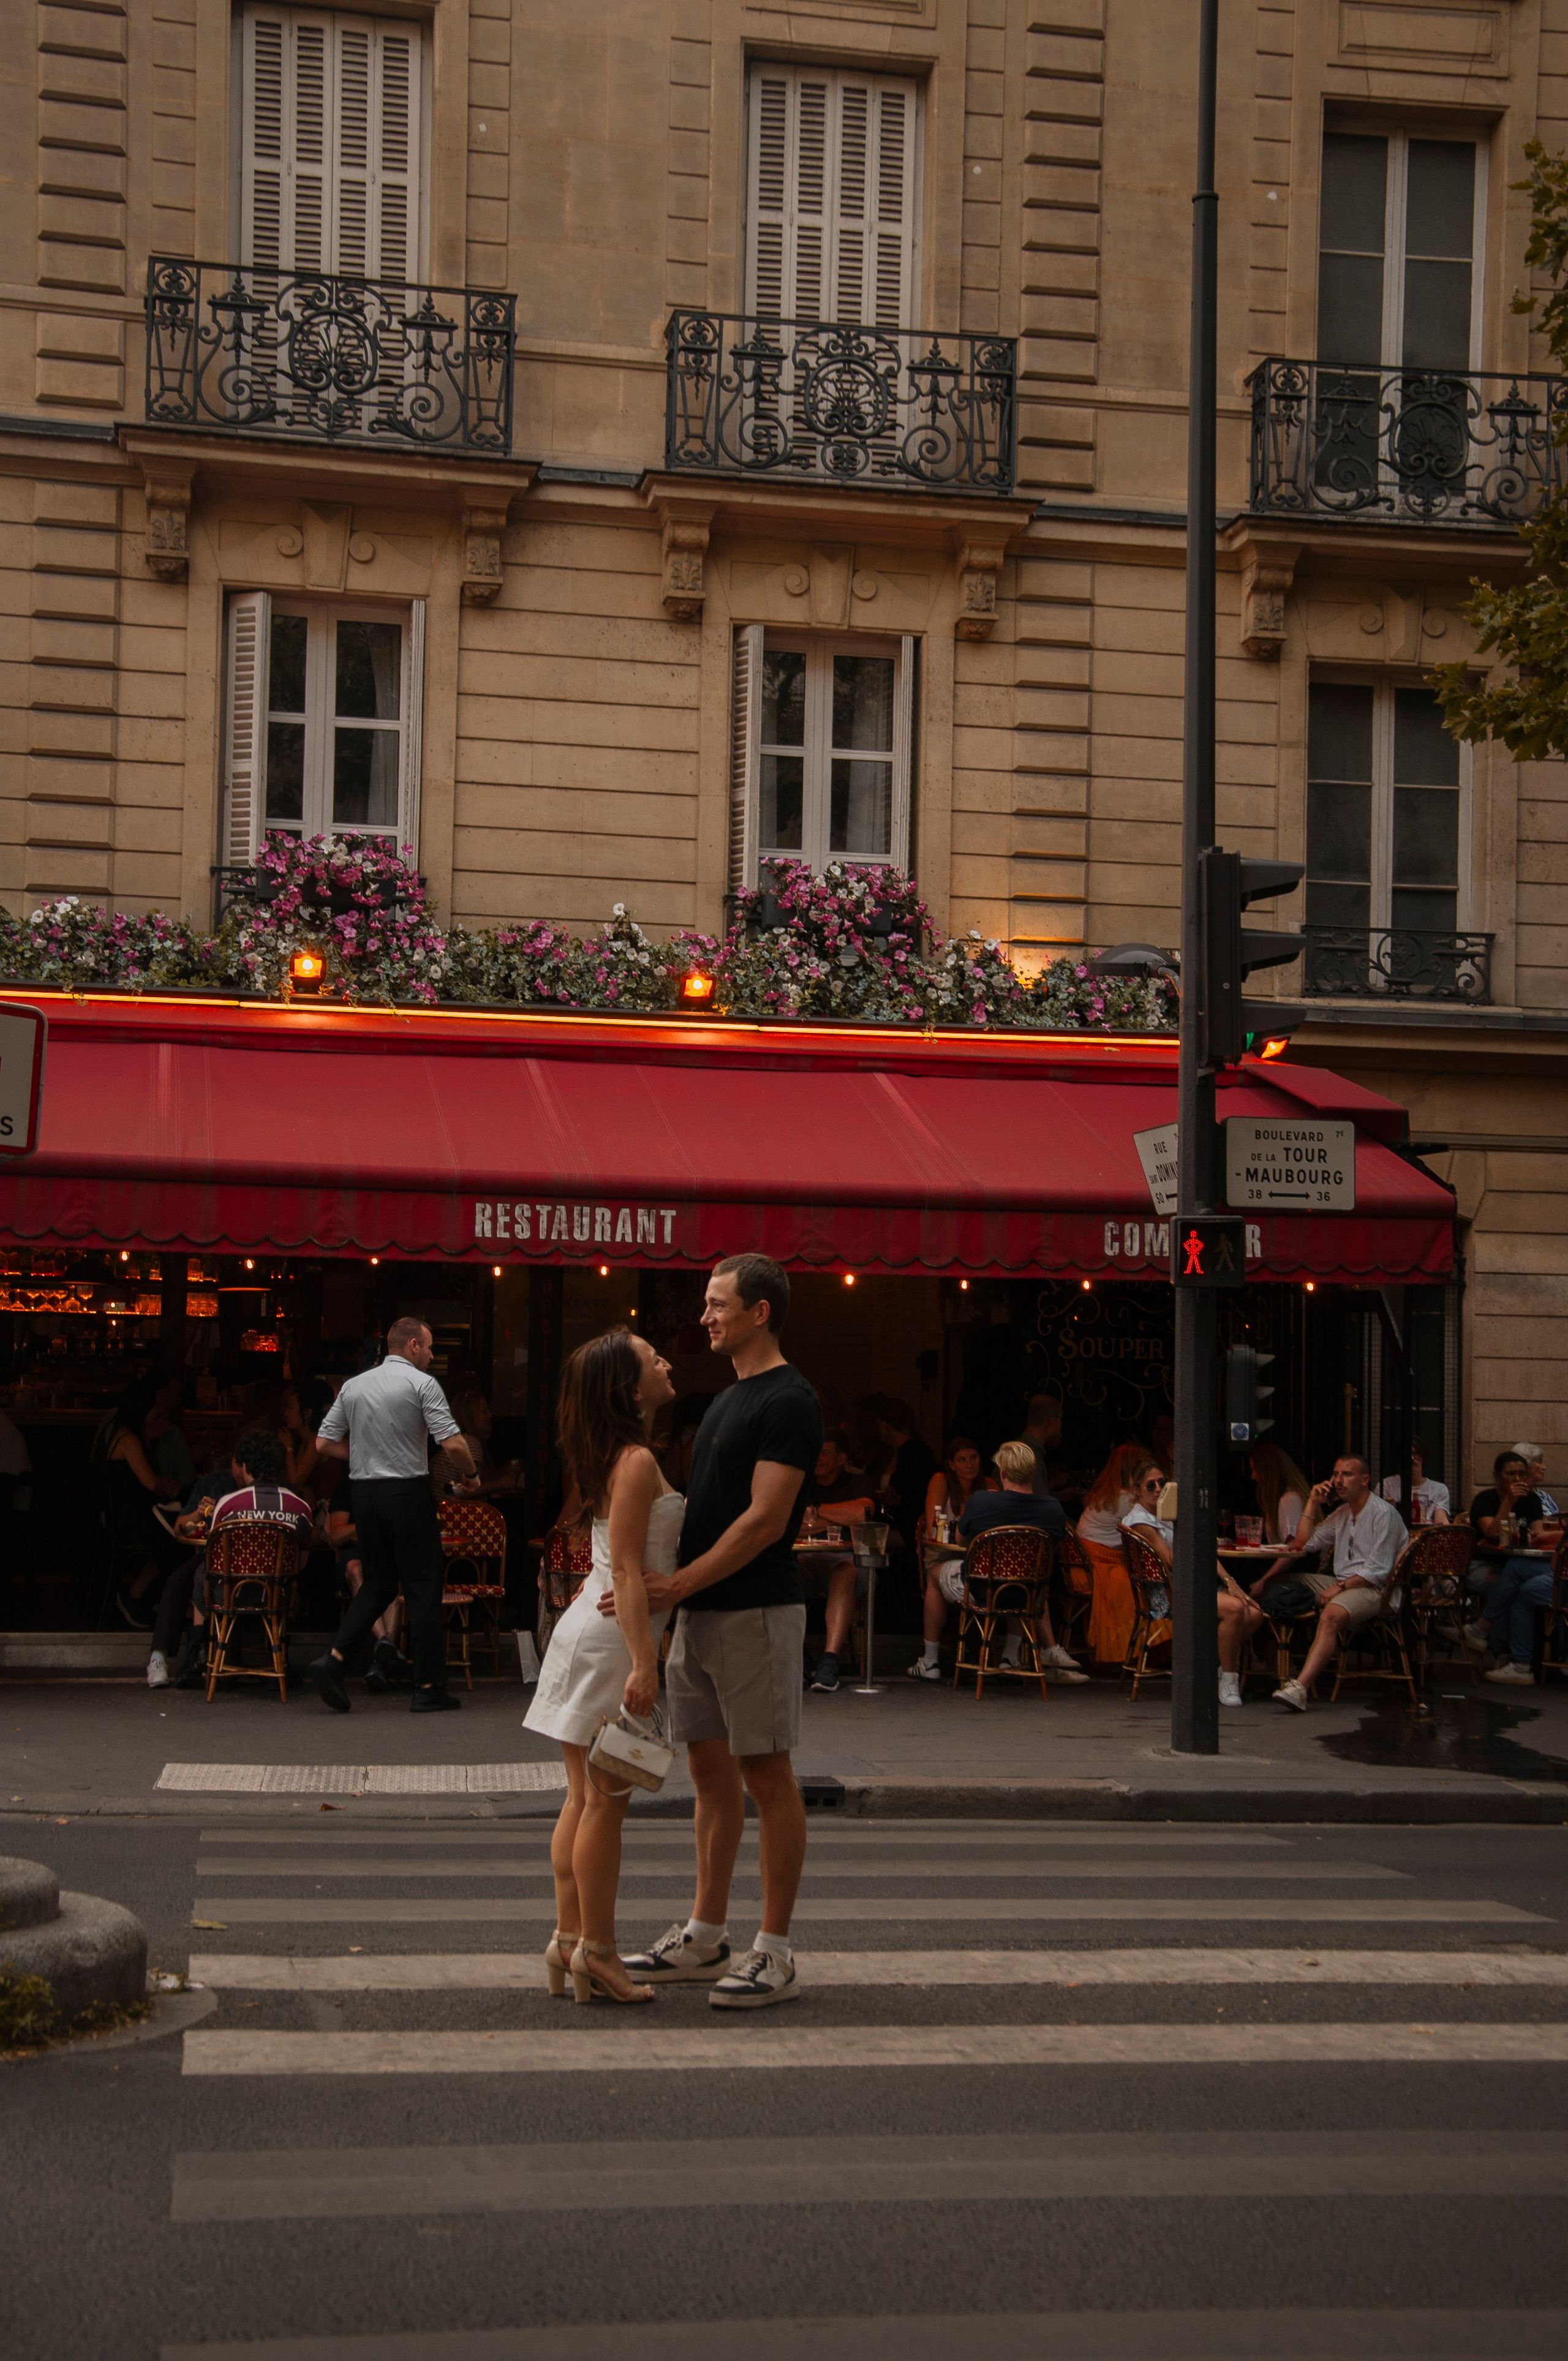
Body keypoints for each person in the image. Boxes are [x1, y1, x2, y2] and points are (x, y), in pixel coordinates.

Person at [608, 1252, 822, 2011]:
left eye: (718, 1303)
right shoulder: (730, 1398)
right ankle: (706, 1933)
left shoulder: (789, 1400)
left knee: (768, 1777)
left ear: (759, 1311)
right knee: (707, 1778)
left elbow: (765, 1521)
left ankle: (776, 1951)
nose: (705, 1316)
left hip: (755, 1612)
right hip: (701, 1616)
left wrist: (677, 1587)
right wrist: (671, 1602)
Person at [525, 1328, 680, 2003]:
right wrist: (646, 1665)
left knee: (584, 1800)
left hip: (587, 1633)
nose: (666, 1363)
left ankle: (568, 1940)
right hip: (612, 1642)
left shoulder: (608, 1454)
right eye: (653, 1360)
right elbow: (625, 1567)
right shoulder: (638, 1460)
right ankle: (600, 1952)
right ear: (629, 1386)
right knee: (606, 1807)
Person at [307, 1316, 477, 1714]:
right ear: (413, 1345)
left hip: (366, 1494)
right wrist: (470, 1475)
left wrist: (365, 1455)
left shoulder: (354, 1385)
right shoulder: (422, 1384)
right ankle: (429, 1685)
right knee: (422, 1584)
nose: (434, 1355)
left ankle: (333, 1659)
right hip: (406, 1492)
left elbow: (322, 1442)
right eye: (431, 1347)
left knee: (379, 1584)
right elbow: (452, 1443)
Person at [907, 1439, 1087, 1682]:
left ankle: (930, 1661)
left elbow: (960, 1541)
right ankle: (1012, 1656)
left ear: (1001, 1472)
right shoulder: (1053, 1508)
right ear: (1032, 1471)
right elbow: (1054, 1545)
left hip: (981, 1590)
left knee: (934, 1575)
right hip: (1028, 1594)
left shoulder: (982, 1501)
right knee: (1021, 1577)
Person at [1118, 1462, 1265, 1709]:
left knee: (1254, 1614)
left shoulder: (1167, 1512)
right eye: (1150, 1485)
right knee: (1234, 1610)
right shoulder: (1140, 1521)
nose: (1158, 1489)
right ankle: (1229, 1679)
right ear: (1136, 1490)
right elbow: (1173, 1561)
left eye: (1163, 1483)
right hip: (1168, 1591)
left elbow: (1205, 1551)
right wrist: (1188, 1529)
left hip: (1190, 1585)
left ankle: (1217, 1667)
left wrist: (1231, 1581)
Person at [1268, 1456, 1407, 1711]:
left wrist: (1338, 1589)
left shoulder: (1384, 1514)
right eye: (1335, 1474)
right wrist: (1311, 1503)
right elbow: (1303, 1544)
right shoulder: (1343, 1512)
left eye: (1347, 1475)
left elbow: (1378, 1571)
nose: (1338, 1481)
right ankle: (1275, 1667)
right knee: (1277, 1583)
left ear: (1365, 1480)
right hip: (1342, 1582)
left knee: (1331, 1615)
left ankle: (1300, 1688)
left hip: (1376, 1590)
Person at [91, 1379, 187, 1628]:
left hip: (134, 1514)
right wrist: (171, 1487)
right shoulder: (128, 1438)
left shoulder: (135, 1436)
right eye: (155, 1405)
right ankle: (159, 1601)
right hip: (128, 1520)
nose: (160, 1411)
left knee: (179, 1533)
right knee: (180, 1536)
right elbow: (150, 1483)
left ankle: (153, 1599)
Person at [799, 1430, 878, 1693]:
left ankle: (829, 1663)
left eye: (824, 1452)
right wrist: (840, 1516)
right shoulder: (802, 1483)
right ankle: (798, 1657)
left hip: (849, 1560)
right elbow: (790, 1524)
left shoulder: (859, 1482)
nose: (817, 1458)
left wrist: (816, 1511)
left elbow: (863, 1512)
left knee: (844, 1571)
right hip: (806, 1558)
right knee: (783, 1574)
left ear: (841, 1459)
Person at [1074, 1444, 1157, 1666]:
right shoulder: (1128, 1501)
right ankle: (1139, 1652)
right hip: (1099, 1564)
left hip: (1082, 1563)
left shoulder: (1107, 1494)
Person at [326, 1486, 404, 1695]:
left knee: (391, 1580)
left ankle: (381, 1660)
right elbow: (336, 1535)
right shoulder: (347, 1488)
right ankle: (385, 1644)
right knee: (356, 1569)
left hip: (385, 1553)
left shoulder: (392, 1488)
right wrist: (367, 1525)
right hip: (355, 1556)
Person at [872, 1396, 938, 1548]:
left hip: (909, 1524)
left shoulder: (915, 1451)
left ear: (884, 1424)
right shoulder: (891, 1452)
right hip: (890, 1521)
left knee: (866, 1541)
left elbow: (916, 1493)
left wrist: (895, 1496)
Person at [1249, 1440, 1310, 1547]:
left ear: (1268, 1471)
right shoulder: (1280, 1500)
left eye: (1255, 1469)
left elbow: (1294, 1547)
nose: (1253, 1476)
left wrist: (1272, 1565)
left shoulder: (1290, 1499)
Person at [1009, 1390, 1068, 1497]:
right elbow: (1035, 1506)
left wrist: (1059, 1496)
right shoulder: (1026, 1455)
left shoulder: (1022, 1449)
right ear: (1051, 1422)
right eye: (1060, 1418)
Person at [1380, 1439, 1451, 1526]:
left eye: (1415, 1454)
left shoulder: (1439, 1489)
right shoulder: (1387, 1485)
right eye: (1407, 1454)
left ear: (1423, 1458)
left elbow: (1441, 1520)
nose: (1412, 1458)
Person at [1510, 1442, 1558, 1519]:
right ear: (1525, 1465)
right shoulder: (1512, 1496)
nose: (1544, 1467)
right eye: (1539, 1461)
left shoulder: (1545, 1496)